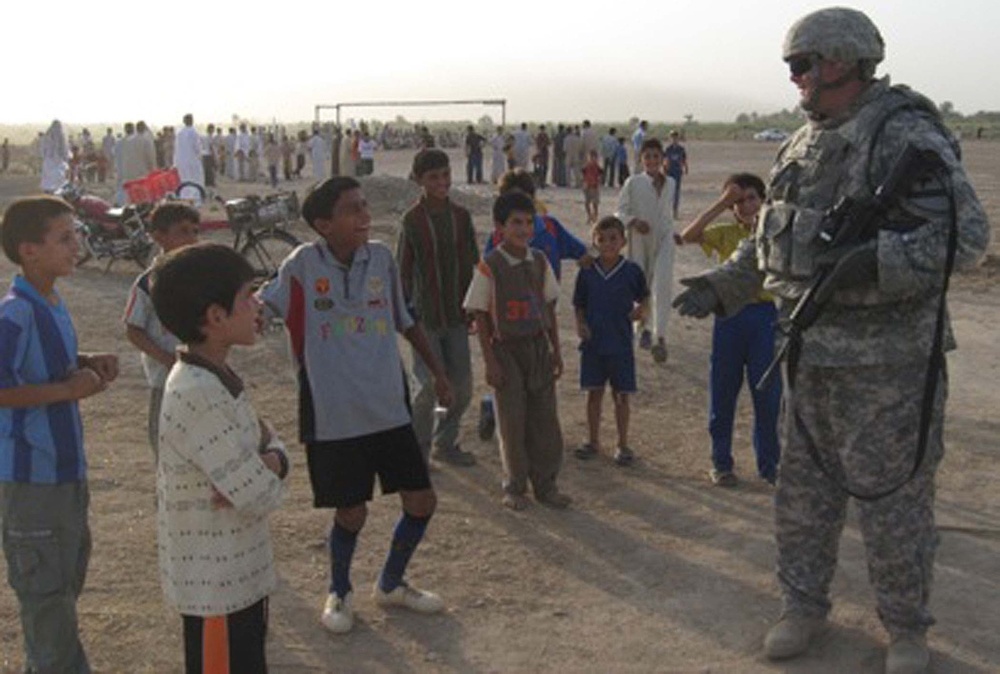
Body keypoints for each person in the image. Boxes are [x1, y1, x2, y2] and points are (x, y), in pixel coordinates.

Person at [671, 8, 989, 673]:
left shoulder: (906, 135)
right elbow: (775, 245)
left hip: (889, 370)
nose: (795, 81)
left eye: (799, 66)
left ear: (836, 62)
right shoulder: (800, 144)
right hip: (809, 359)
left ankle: (905, 629)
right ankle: (802, 605)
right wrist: (722, 287)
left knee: (893, 506)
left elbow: (966, 239)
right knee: (802, 500)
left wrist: (876, 261)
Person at [257, 176, 453, 635]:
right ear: (324, 224)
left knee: (422, 501)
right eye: (352, 209)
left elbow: (407, 320)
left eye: (365, 206)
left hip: (388, 406)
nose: (364, 215)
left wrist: (439, 373)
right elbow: (263, 309)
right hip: (333, 414)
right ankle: (340, 590)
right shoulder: (302, 265)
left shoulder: (380, 257)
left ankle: (391, 583)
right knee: (351, 512)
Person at [151, 243, 290, 674]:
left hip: (236, 574)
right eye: (247, 296)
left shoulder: (217, 374)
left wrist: (272, 460)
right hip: (216, 586)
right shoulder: (199, 392)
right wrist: (271, 463)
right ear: (215, 317)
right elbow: (258, 494)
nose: (258, 305)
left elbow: (271, 446)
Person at [0, 196, 119, 673]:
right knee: (48, 605)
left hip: (65, 475)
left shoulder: (50, 301)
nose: (77, 245)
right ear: (29, 250)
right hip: (32, 482)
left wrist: (86, 364)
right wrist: (68, 389)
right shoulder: (14, 313)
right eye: (65, 237)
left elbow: (37, 369)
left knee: (61, 594)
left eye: (77, 234)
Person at [464, 189, 571, 511]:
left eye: (528, 222)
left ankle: (546, 484)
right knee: (512, 420)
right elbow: (480, 314)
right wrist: (490, 361)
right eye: (516, 223)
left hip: (538, 347)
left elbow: (549, 308)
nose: (523, 229)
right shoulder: (490, 265)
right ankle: (515, 485)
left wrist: (556, 349)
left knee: (545, 419)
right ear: (500, 227)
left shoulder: (539, 261)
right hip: (506, 350)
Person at [674, 173, 780, 487]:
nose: (746, 206)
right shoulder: (726, 232)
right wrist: (722, 203)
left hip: (766, 317)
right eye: (739, 201)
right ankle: (721, 463)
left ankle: (770, 465)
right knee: (723, 392)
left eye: (752, 198)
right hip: (730, 317)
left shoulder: (774, 235)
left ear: (763, 201)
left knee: (768, 396)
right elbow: (689, 235)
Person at [479, 169, 590, 439]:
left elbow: (582, 252)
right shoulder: (495, 240)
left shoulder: (551, 228)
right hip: (506, 328)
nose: (522, 227)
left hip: (540, 321)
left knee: (539, 380)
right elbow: (484, 279)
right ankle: (496, 411)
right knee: (509, 379)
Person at [397, 149, 479, 466]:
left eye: (445, 175)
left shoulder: (461, 217)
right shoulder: (412, 220)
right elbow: (402, 270)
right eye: (434, 177)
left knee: (462, 385)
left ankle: (445, 443)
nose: (442, 182)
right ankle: (418, 451)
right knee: (429, 387)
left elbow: (474, 263)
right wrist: (406, 314)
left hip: (457, 315)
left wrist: (475, 306)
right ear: (419, 180)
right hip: (425, 318)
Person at [123, 203, 201, 457]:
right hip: (164, 378)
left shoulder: (203, 278)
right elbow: (133, 329)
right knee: (166, 447)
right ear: (159, 236)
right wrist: (165, 359)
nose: (191, 239)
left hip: (201, 374)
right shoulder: (148, 283)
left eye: (194, 231)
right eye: (183, 231)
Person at [573, 216, 648, 466]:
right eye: (601, 239)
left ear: (623, 241)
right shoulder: (587, 272)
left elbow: (644, 296)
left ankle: (623, 443)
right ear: (594, 241)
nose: (607, 244)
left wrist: (641, 310)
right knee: (594, 393)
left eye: (613, 239)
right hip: (594, 344)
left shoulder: (631, 271)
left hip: (621, 342)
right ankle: (593, 440)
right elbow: (579, 304)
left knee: (622, 396)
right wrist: (580, 324)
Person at [616, 137, 676, 364]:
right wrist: (633, 222)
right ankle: (643, 328)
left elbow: (667, 215)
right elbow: (619, 212)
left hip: (663, 240)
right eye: (647, 156)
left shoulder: (670, 183)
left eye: (656, 156)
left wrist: (673, 233)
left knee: (662, 283)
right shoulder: (633, 182)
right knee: (642, 287)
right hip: (640, 240)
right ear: (642, 159)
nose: (652, 160)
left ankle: (660, 336)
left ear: (662, 159)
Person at [173, 114, 205, 201]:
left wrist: (175, 162)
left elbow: (176, 149)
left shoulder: (179, 133)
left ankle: (184, 198)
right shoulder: (193, 132)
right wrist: (200, 156)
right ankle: (195, 199)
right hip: (193, 161)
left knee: (184, 180)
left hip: (181, 162)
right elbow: (197, 148)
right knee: (194, 181)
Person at [39, 119, 69, 192]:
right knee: (58, 178)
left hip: (49, 160)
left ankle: (48, 190)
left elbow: (43, 149)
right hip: (58, 161)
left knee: (49, 178)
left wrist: (44, 157)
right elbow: (65, 150)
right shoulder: (62, 137)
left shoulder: (46, 137)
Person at [664, 130, 688, 219]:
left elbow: (684, 159)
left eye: (676, 137)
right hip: (669, 172)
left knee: (676, 192)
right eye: (672, 137)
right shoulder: (668, 149)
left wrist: (685, 168)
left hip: (677, 172)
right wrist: (664, 169)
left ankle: (675, 212)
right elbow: (664, 160)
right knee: (668, 191)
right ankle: (667, 211)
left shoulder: (681, 149)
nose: (674, 139)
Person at [581, 149, 603, 224]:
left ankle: (595, 218)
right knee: (587, 203)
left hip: (594, 186)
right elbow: (583, 176)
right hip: (588, 186)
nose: (592, 159)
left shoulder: (598, 167)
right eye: (591, 157)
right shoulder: (586, 167)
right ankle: (589, 216)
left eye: (594, 158)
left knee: (595, 204)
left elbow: (600, 176)